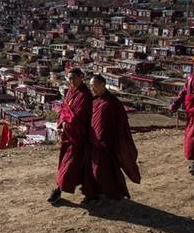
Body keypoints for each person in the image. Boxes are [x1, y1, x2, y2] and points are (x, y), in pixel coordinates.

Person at [82, 75, 140, 204]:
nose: (92, 88)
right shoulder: (94, 100)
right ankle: (92, 194)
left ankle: (114, 194)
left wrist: (116, 142)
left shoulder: (113, 102)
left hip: (108, 144)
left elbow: (121, 124)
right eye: (91, 86)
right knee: (89, 170)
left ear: (103, 85)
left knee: (102, 170)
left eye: (94, 85)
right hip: (92, 142)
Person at [47, 68, 92, 204]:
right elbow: (64, 109)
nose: (71, 81)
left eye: (73, 78)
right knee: (71, 164)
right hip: (68, 135)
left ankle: (58, 190)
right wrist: (61, 123)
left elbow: (79, 116)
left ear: (81, 77)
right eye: (69, 78)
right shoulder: (70, 92)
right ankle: (88, 191)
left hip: (78, 136)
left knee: (70, 164)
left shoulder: (85, 95)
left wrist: (68, 124)